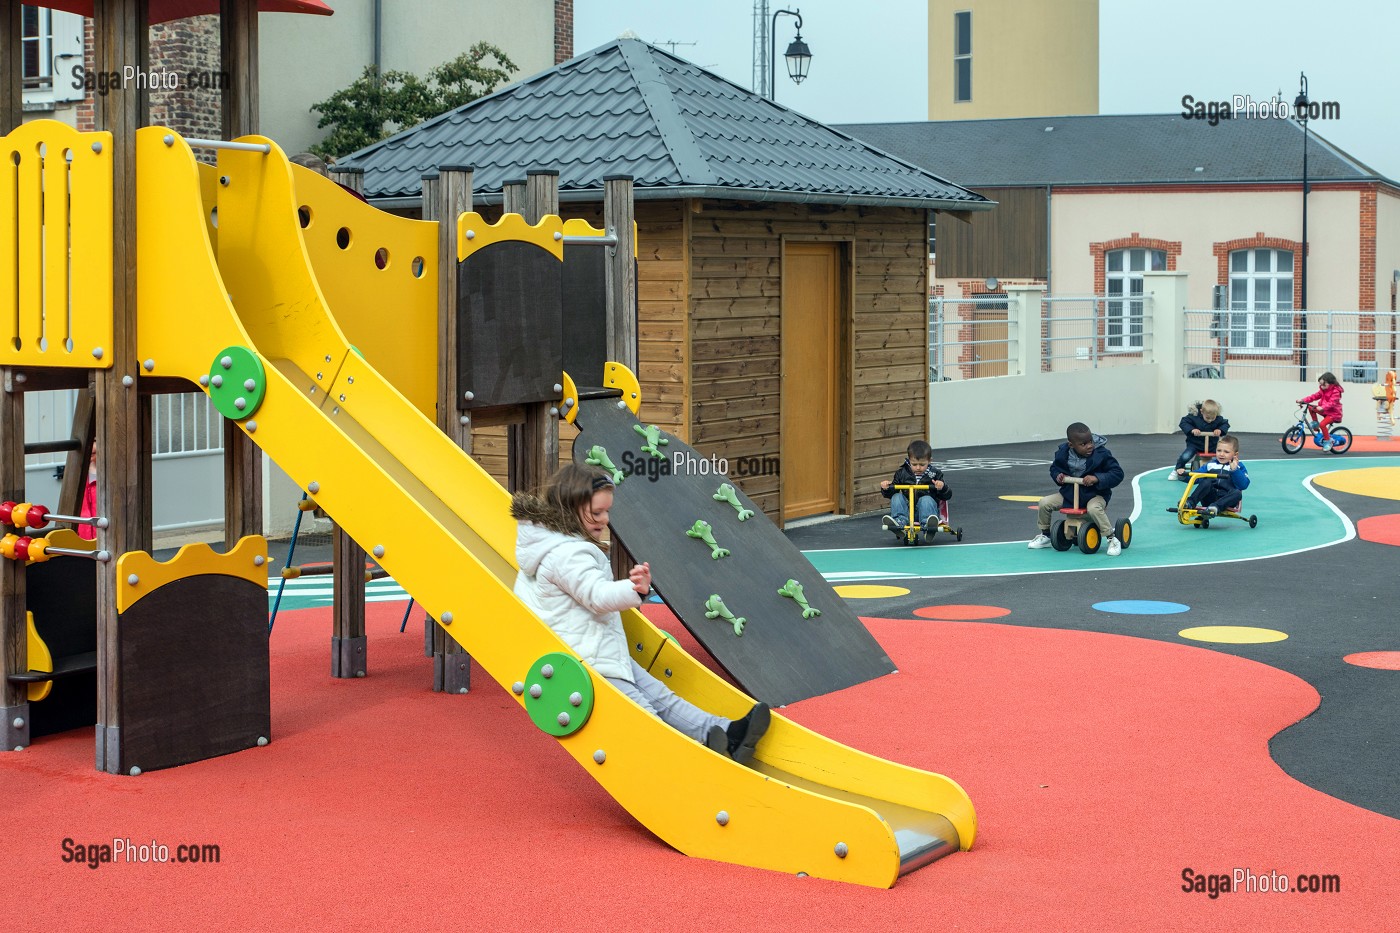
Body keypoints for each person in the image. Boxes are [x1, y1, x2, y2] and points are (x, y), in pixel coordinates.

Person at [511, 463, 770, 764]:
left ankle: (725, 733)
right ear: (570, 508)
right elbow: (595, 596)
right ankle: (687, 765)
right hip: (587, 660)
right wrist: (634, 590)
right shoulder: (568, 554)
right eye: (596, 513)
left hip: (593, 648)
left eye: (607, 512)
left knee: (660, 696)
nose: (605, 520)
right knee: (643, 714)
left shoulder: (555, 545)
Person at [1028, 422, 1125, 556]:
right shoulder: (1063, 453)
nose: (1089, 446)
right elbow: (1054, 468)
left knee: (1093, 509)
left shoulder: (1102, 453)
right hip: (1070, 494)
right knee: (1044, 503)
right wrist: (1058, 476)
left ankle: (1111, 538)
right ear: (1071, 445)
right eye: (1083, 444)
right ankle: (1046, 535)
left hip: (1095, 495)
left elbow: (1117, 473)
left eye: (1090, 441)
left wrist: (1097, 478)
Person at [879, 440, 952, 541]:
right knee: (897, 497)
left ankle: (928, 525)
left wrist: (942, 487)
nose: (918, 468)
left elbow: (947, 496)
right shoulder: (902, 473)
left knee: (926, 499)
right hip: (907, 511)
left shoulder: (935, 474)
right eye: (914, 464)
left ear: (930, 461)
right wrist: (886, 488)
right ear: (909, 460)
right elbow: (892, 493)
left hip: (927, 510)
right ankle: (899, 522)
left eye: (922, 464)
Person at [1184, 434, 1250, 517]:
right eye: (1219, 450)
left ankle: (1215, 507)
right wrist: (1183, 475)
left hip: (1227, 501)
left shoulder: (1239, 466)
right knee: (1206, 481)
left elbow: (1243, 485)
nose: (1221, 454)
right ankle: (1190, 503)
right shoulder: (1210, 465)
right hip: (1210, 498)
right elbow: (1196, 477)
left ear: (1235, 455)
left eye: (1226, 452)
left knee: (1237, 493)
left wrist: (1234, 470)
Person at [1172, 399, 1229, 480]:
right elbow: (1183, 423)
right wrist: (1192, 429)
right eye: (1208, 418)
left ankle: (1228, 469)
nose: (1210, 420)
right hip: (1195, 444)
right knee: (1186, 456)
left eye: (1213, 418)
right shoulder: (1193, 417)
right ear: (1202, 411)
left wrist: (1220, 430)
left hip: (1212, 445)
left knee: (1223, 454)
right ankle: (1177, 469)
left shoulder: (1218, 419)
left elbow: (1225, 424)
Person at [1298, 372, 1345, 450]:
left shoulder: (1336, 391)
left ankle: (1328, 442)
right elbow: (1314, 396)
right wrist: (1302, 400)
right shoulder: (1323, 390)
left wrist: (1323, 407)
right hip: (1325, 410)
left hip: (1334, 413)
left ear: (1330, 383)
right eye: (1320, 384)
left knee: (1322, 424)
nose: (1321, 386)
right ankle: (1315, 423)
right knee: (1310, 407)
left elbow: (1332, 403)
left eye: (1324, 384)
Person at [78, 444, 98, 541]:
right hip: (83, 536)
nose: (91, 446)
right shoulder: (78, 475)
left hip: (103, 535)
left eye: (95, 441)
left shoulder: (111, 477)